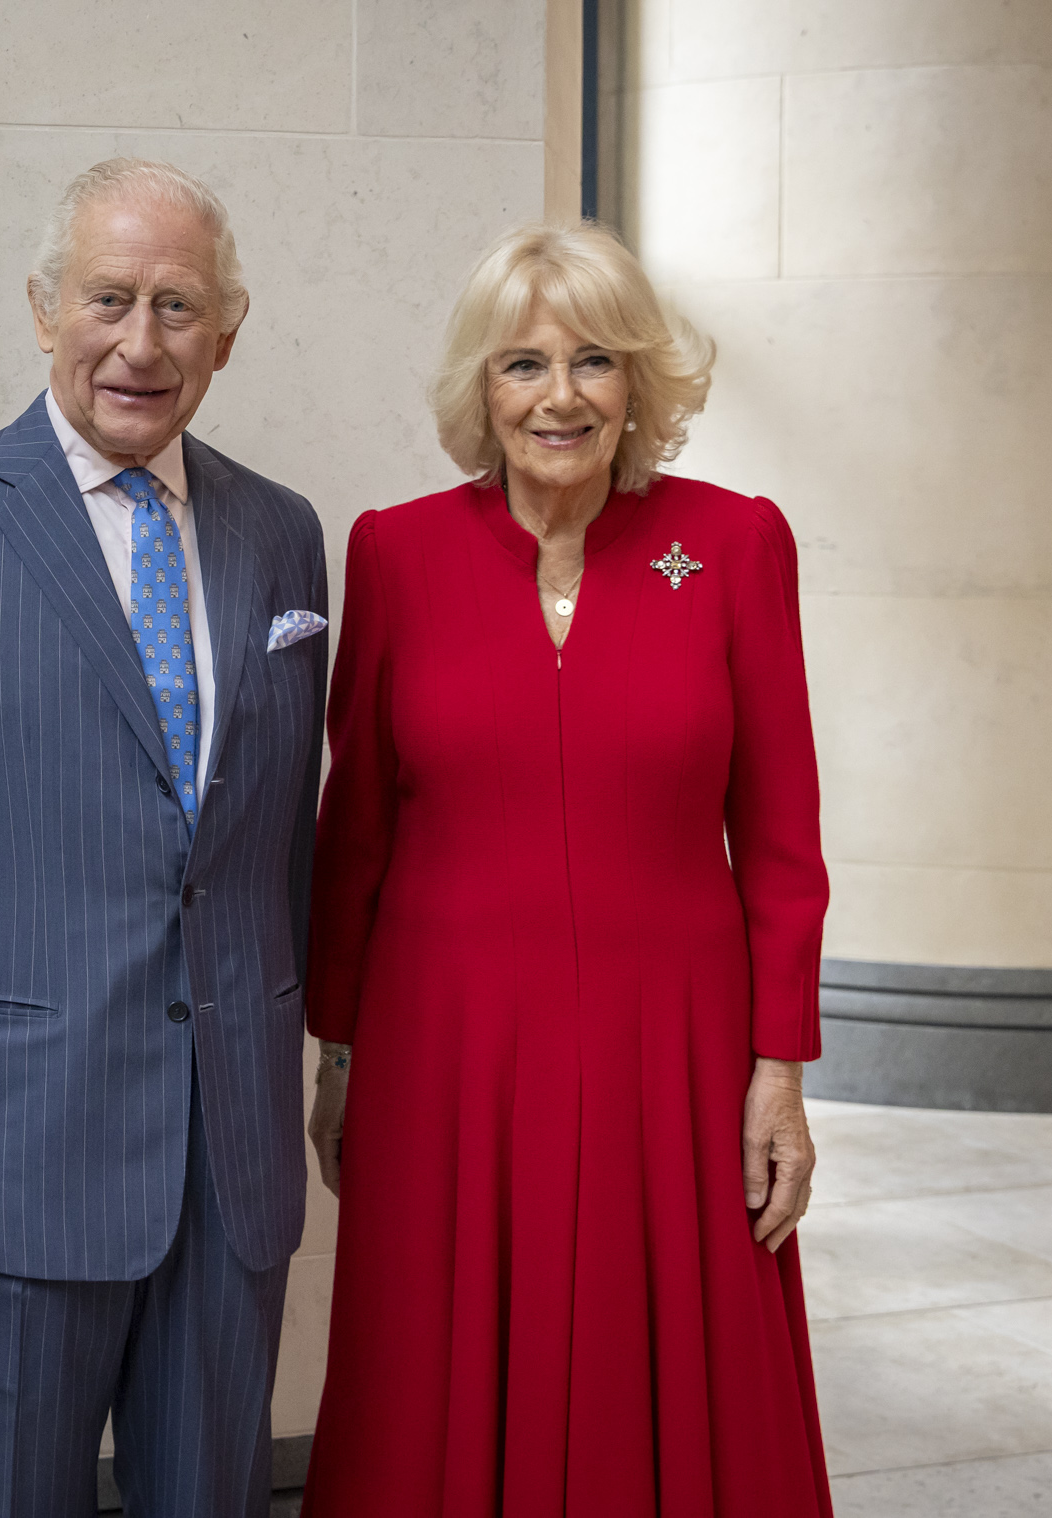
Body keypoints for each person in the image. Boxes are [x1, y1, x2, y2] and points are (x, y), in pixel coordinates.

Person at [0, 158, 330, 1518]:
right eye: (108, 298)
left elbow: (280, 841)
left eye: (177, 305)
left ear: (227, 332)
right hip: (10, 1142)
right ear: (44, 310)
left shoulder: (283, 536)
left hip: (231, 1153)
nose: (141, 342)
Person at [300, 222, 833, 1517]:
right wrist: (338, 1052)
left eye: (595, 360)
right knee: (436, 1363)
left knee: (670, 1371)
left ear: (638, 381)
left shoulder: (734, 544)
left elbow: (780, 836)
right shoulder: (395, 552)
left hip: (676, 1046)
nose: (561, 395)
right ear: (481, 389)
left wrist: (778, 1071)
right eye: (524, 363)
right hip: (445, 1046)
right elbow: (354, 827)